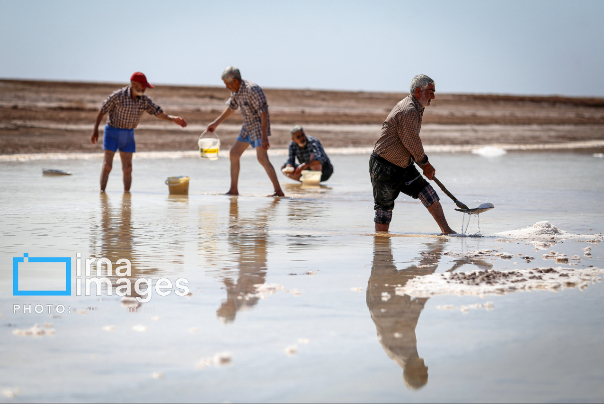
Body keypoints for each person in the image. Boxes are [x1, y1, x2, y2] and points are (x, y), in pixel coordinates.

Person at [369, 74, 456, 234]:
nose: (433, 96)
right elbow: (412, 142)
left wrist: (422, 164)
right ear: (418, 91)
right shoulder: (408, 110)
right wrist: (425, 164)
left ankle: (447, 231)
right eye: (430, 92)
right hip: (384, 166)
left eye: (433, 92)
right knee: (384, 210)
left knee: (428, 193)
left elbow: (410, 144)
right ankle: (381, 248)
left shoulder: (416, 107)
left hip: (404, 164)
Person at [91, 72, 188, 192]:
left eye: (145, 86)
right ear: (133, 84)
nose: (144, 88)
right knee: (107, 166)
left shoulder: (144, 100)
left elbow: (157, 112)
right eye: (143, 85)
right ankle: (102, 193)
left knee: (128, 168)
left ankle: (126, 198)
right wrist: (95, 129)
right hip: (112, 132)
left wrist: (173, 119)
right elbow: (102, 110)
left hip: (128, 133)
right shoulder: (118, 96)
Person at [206, 66, 284, 197]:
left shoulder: (252, 90)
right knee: (234, 154)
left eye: (228, 84)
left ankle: (278, 191)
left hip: (259, 126)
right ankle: (233, 190)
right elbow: (231, 108)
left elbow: (264, 113)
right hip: (247, 126)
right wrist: (215, 123)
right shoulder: (236, 91)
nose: (226, 87)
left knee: (262, 158)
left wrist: (264, 136)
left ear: (236, 81)